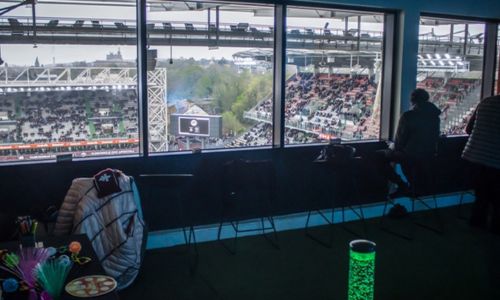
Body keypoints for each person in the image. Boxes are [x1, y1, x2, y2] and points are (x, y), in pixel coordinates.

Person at [375, 88, 441, 198]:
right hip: (429, 155)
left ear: (412, 100)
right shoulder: (435, 117)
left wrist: (392, 148)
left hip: (410, 155)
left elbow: (400, 142)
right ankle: (413, 187)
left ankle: (402, 185)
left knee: (377, 156)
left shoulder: (408, 116)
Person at [462, 94, 500, 233]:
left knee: (481, 194)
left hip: (474, 156)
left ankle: (477, 222)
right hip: (496, 160)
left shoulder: (486, 102)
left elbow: (468, 129)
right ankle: (495, 227)